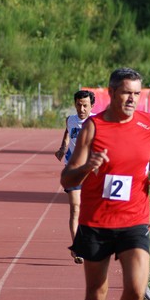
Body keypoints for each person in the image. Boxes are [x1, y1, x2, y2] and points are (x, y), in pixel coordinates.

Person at [60, 68, 150, 300]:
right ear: (112, 92)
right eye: (126, 92)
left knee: (136, 289)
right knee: (97, 293)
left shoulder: (149, 125)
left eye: (136, 93)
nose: (132, 98)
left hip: (134, 219)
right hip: (96, 223)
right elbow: (67, 178)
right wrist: (87, 168)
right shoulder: (94, 127)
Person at [55, 90, 95, 264]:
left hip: (92, 172)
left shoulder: (97, 122)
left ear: (91, 106)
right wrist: (63, 147)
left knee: (91, 210)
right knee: (75, 209)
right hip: (72, 170)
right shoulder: (70, 120)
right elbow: (67, 130)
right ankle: (77, 247)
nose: (82, 108)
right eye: (79, 104)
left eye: (85, 105)